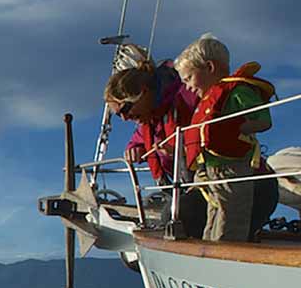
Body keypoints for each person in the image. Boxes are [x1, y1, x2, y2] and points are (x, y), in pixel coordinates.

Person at [173, 34, 278, 241]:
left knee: (232, 214)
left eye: (188, 78)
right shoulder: (208, 100)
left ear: (209, 68)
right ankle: (209, 248)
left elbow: (263, 119)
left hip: (233, 167)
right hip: (210, 167)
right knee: (214, 214)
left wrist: (237, 128)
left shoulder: (238, 92)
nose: (187, 86)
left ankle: (225, 252)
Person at [105, 61, 205, 238]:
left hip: (206, 182)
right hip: (179, 188)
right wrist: (134, 148)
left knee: (174, 217)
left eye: (125, 109)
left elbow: (211, 130)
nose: (124, 118)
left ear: (143, 92)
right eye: (118, 115)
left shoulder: (187, 97)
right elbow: (138, 139)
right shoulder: (150, 120)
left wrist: (181, 150)